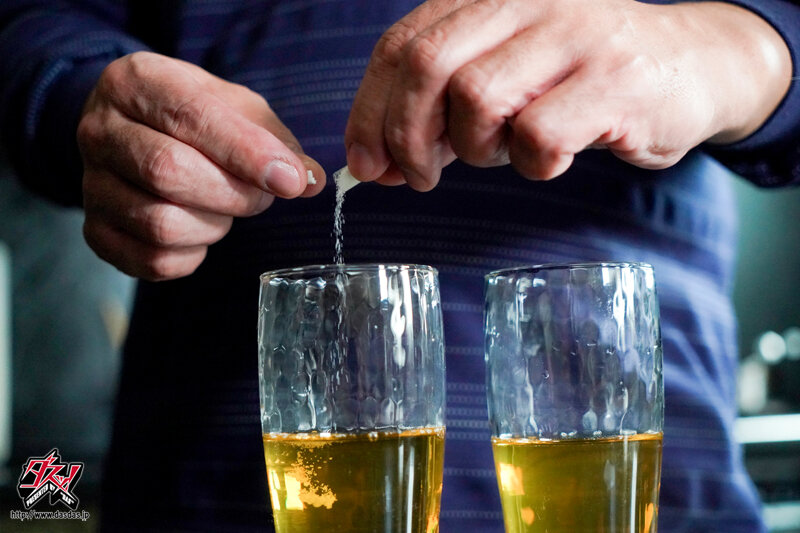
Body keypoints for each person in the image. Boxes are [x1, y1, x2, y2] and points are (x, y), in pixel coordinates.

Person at [1, 0, 798, 531]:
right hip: (210, 495)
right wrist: (79, 99)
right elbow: (28, 24)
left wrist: (737, 46)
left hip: (646, 498)